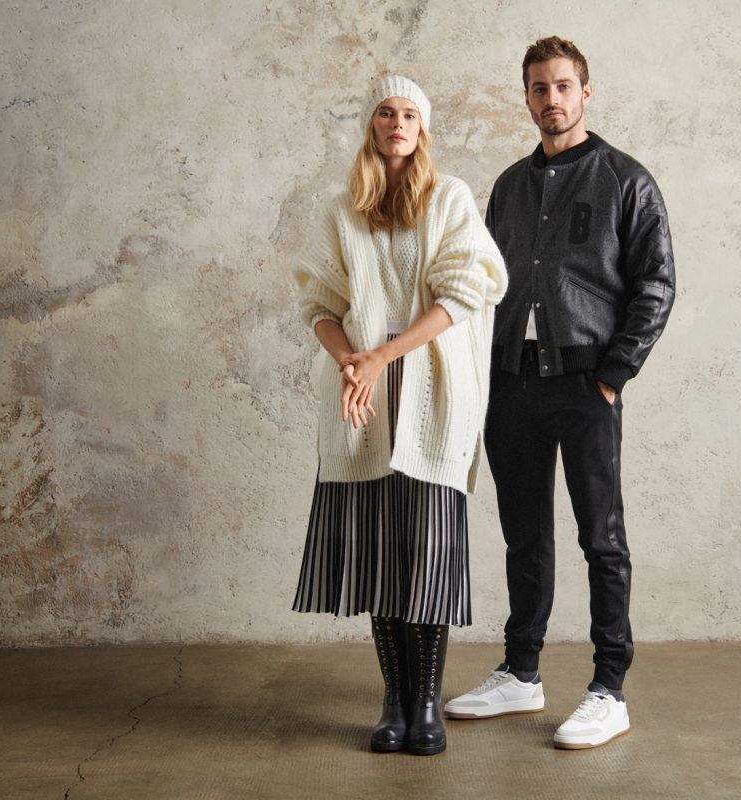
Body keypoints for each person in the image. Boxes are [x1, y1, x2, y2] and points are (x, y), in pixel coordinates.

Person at [443, 37, 675, 749]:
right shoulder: (510, 187)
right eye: (539, 88)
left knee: (600, 538)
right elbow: (483, 284)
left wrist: (612, 374)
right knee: (524, 536)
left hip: (585, 383)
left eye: (564, 86)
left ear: (586, 92)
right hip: (512, 384)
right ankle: (521, 672)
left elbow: (657, 284)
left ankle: (609, 688)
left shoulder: (626, 180)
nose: (552, 99)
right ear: (526, 97)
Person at [289, 75, 507, 756]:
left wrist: (383, 355)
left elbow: (467, 289)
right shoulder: (341, 211)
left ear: (423, 128)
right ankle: (394, 700)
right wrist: (354, 363)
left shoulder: (449, 198)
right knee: (381, 551)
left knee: (428, 551)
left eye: (410, 113)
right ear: (371, 125)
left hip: (430, 387)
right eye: (386, 112)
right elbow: (318, 303)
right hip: (363, 392)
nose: (397, 122)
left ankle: (427, 702)